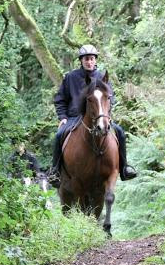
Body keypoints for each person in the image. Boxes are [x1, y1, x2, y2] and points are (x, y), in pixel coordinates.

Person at [48, 44, 137, 186]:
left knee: (120, 131)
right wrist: (63, 117)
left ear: (95, 60)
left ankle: (125, 168)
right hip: (74, 117)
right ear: (81, 61)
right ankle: (55, 171)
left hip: (99, 117)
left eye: (91, 59)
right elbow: (60, 100)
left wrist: (106, 114)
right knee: (59, 135)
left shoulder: (102, 77)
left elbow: (110, 99)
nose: (89, 62)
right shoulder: (71, 77)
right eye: (86, 59)